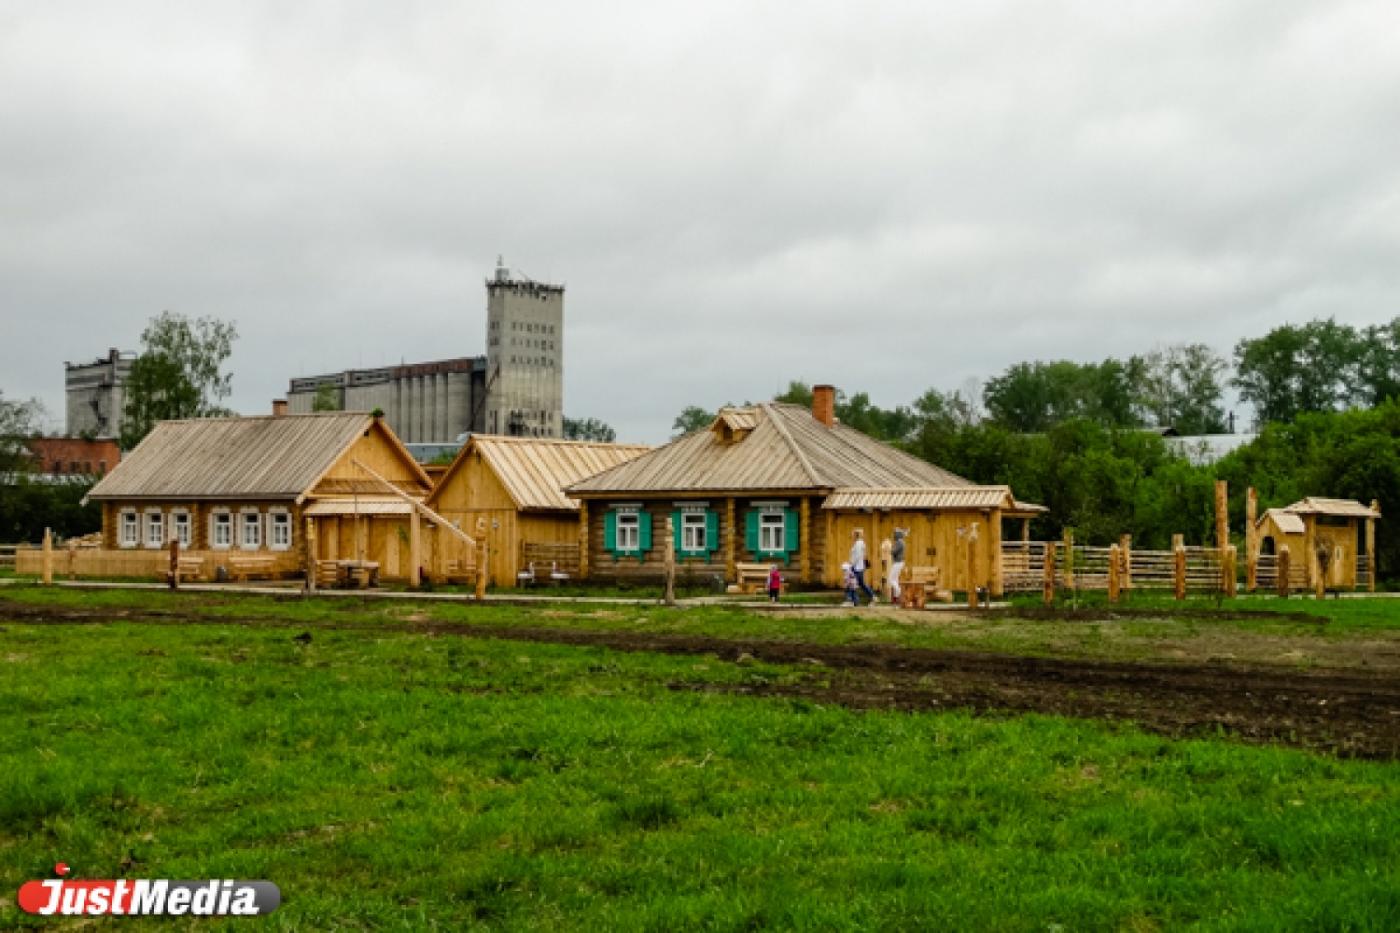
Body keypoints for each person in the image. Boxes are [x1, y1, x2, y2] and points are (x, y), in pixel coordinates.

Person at [849, 528, 877, 605]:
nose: (852, 536)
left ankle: (853, 600)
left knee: (853, 584)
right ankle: (873, 596)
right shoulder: (861, 543)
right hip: (860, 567)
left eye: (853, 534)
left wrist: (852, 564)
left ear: (856, 535)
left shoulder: (858, 544)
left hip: (857, 567)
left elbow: (857, 556)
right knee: (861, 584)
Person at [889, 528, 908, 608]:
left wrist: (890, 548)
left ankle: (899, 592)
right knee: (895, 580)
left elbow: (893, 552)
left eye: (895, 534)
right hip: (899, 562)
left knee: (891, 580)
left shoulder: (899, 542)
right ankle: (896, 601)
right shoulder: (900, 542)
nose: (894, 535)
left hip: (898, 563)